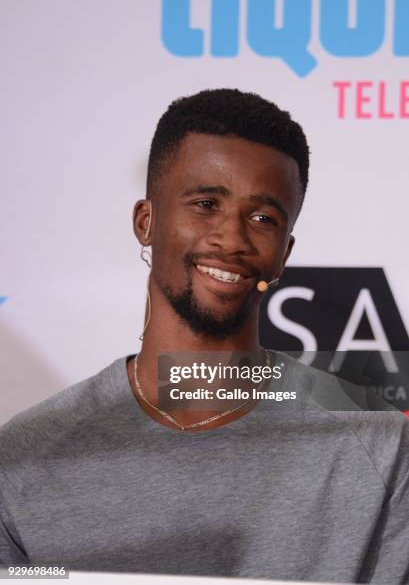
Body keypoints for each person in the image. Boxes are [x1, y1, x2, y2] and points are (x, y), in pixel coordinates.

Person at [1, 89, 408, 583]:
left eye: (263, 218)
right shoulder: (21, 460)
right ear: (146, 221)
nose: (233, 239)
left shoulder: (383, 446)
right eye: (205, 204)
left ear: (285, 251)